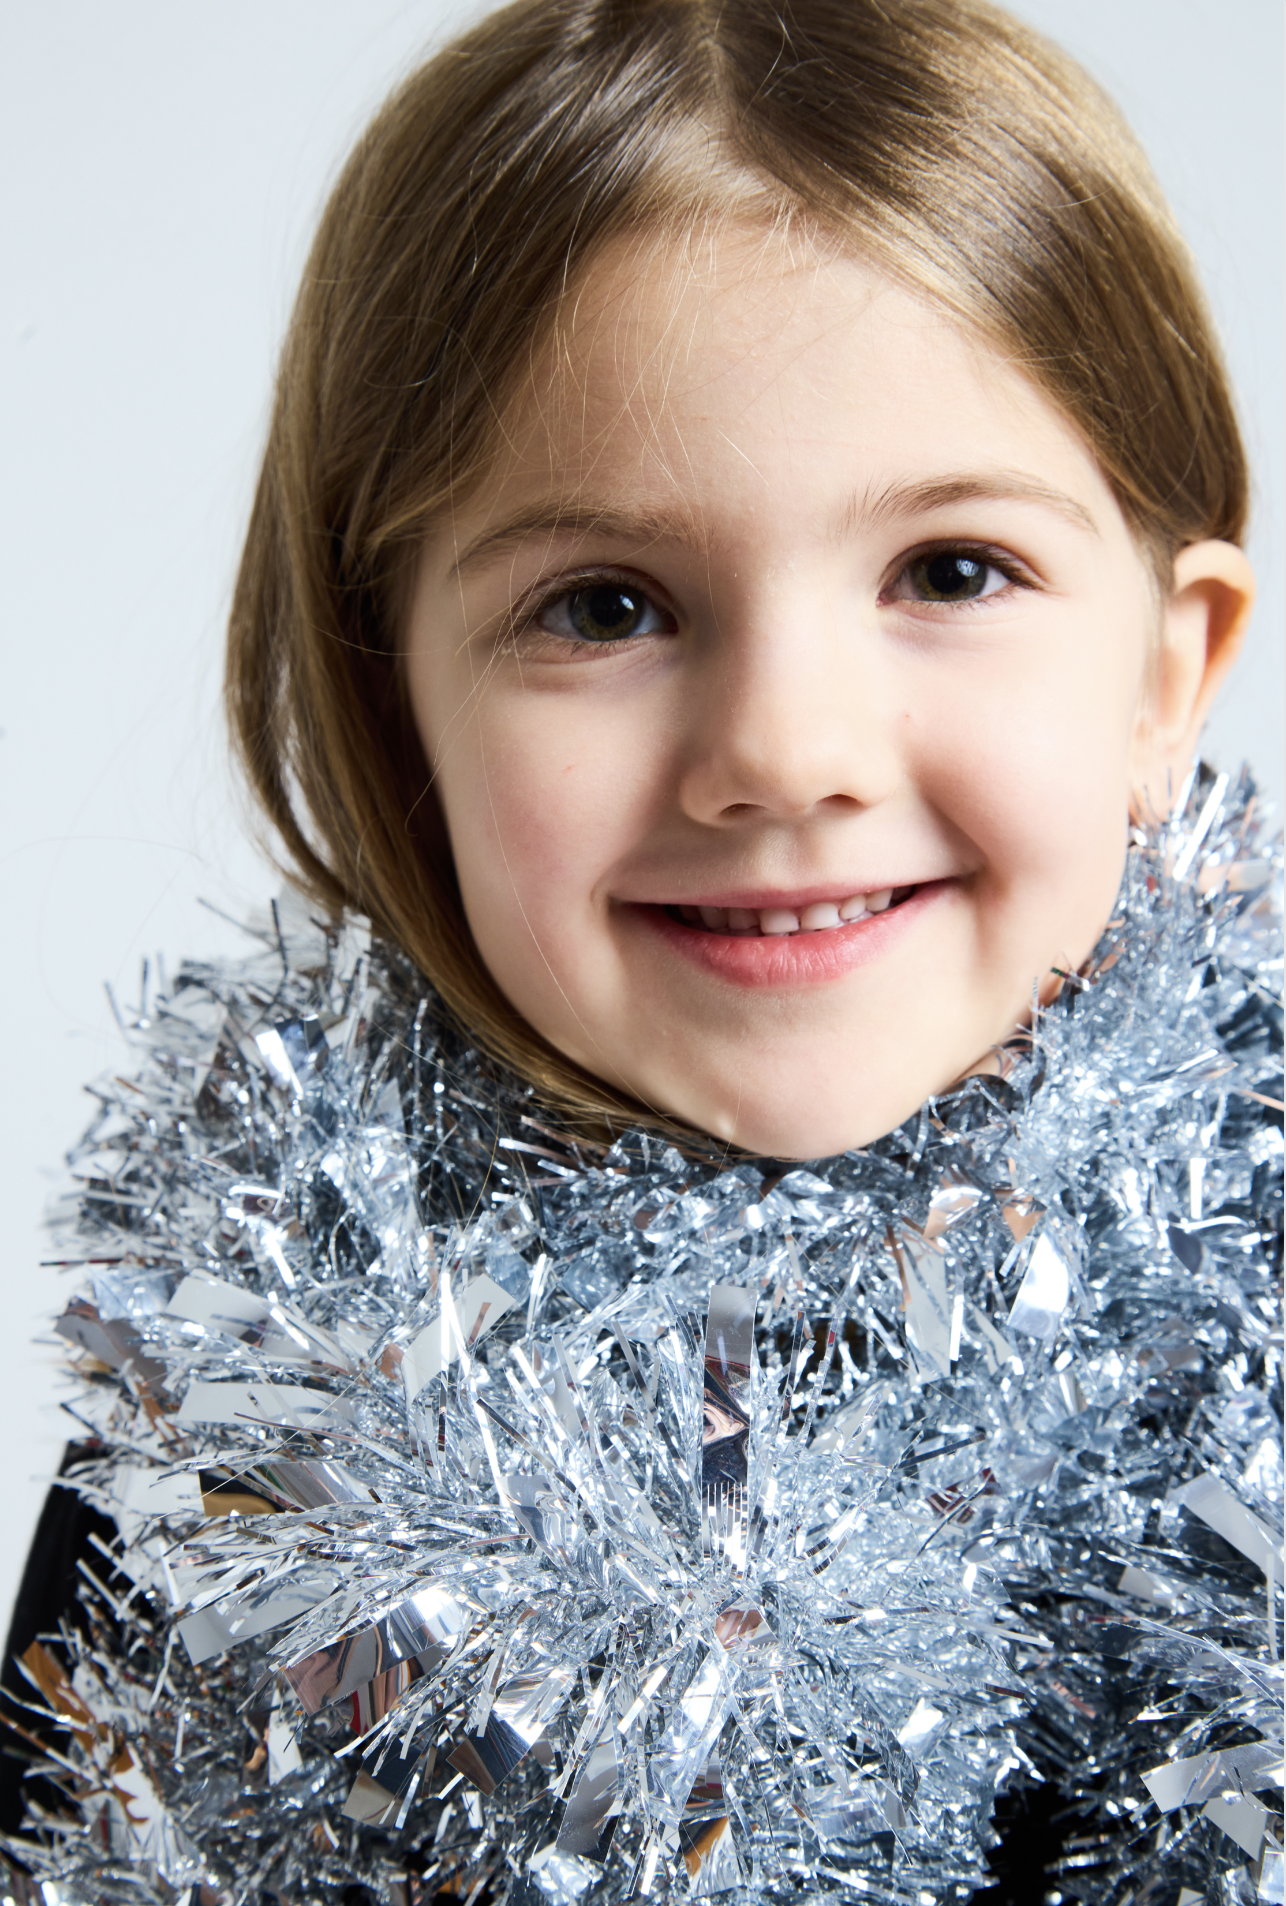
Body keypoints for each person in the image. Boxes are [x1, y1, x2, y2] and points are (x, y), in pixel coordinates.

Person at [1, 2, 1279, 1903]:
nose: (783, 753)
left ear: (1162, 674)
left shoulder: (1240, 1369)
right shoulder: (252, 1440)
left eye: (947, 571)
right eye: (604, 605)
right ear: (398, 710)